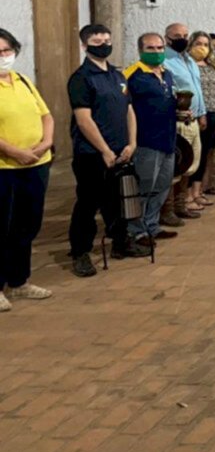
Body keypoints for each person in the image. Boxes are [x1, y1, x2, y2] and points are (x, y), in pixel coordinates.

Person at [67, 24, 144, 278]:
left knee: (119, 199)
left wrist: (131, 143)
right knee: (88, 204)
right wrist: (104, 151)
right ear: (85, 45)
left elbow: (128, 110)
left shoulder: (117, 75)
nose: (104, 44)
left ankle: (121, 243)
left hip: (122, 150)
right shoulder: (81, 78)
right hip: (93, 154)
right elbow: (84, 120)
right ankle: (80, 253)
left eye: (107, 40)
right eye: (98, 41)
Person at [0, 28, 54, 310]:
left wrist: (46, 142)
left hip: (36, 164)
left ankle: (19, 282)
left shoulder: (22, 80)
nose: (3, 57)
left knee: (26, 224)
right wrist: (14, 151)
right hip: (4, 167)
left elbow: (45, 115)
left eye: (7, 51)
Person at [124, 33, 178, 246]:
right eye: (151, 48)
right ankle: (136, 230)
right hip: (145, 140)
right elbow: (124, 109)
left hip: (168, 138)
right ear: (140, 50)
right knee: (143, 188)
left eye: (159, 48)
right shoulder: (132, 75)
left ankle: (152, 225)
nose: (156, 52)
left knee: (162, 185)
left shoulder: (167, 74)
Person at [162, 23, 207, 221]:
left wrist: (202, 113)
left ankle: (182, 203)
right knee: (176, 166)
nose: (182, 38)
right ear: (167, 38)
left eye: (185, 35)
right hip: (178, 119)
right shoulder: (164, 59)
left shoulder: (188, 59)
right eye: (177, 35)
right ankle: (168, 208)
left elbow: (197, 88)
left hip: (194, 119)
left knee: (189, 164)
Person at [187, 32, 215, 207]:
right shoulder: (187, 65)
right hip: (194, 114)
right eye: (198, 43)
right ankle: (187, 195)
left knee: (204, 154)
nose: (202, 47)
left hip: (212, 113)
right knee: (193, 155)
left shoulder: (213, 66)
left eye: (205, 44)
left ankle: (198, 191)